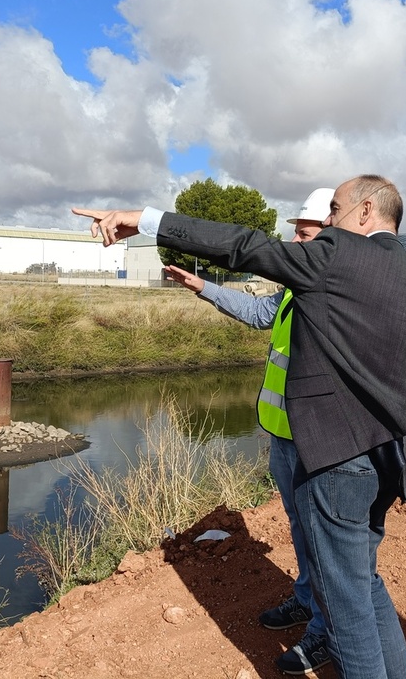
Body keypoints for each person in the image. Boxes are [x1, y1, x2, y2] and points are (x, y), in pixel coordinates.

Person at [72, 174, 406, 679]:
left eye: (336, 211)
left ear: (365, 212)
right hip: (389, 458)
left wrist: (143, 219)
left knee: (345, 609)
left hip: (337, 464)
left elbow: (243, 246)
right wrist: (385, 418)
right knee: (363, 583)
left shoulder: (335, 255)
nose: (328, 225)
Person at [164, 187, 334, 675]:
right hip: (283, 436)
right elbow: (262, 315)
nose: (294, 245)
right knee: (302, 531)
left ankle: (323, 632)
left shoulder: (330, 297)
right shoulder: (293, 290)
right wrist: (203, 288)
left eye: (303, 235)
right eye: (296, 234)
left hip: (317, 444)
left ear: (332, 238)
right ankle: (306, 601)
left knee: (323, 542)